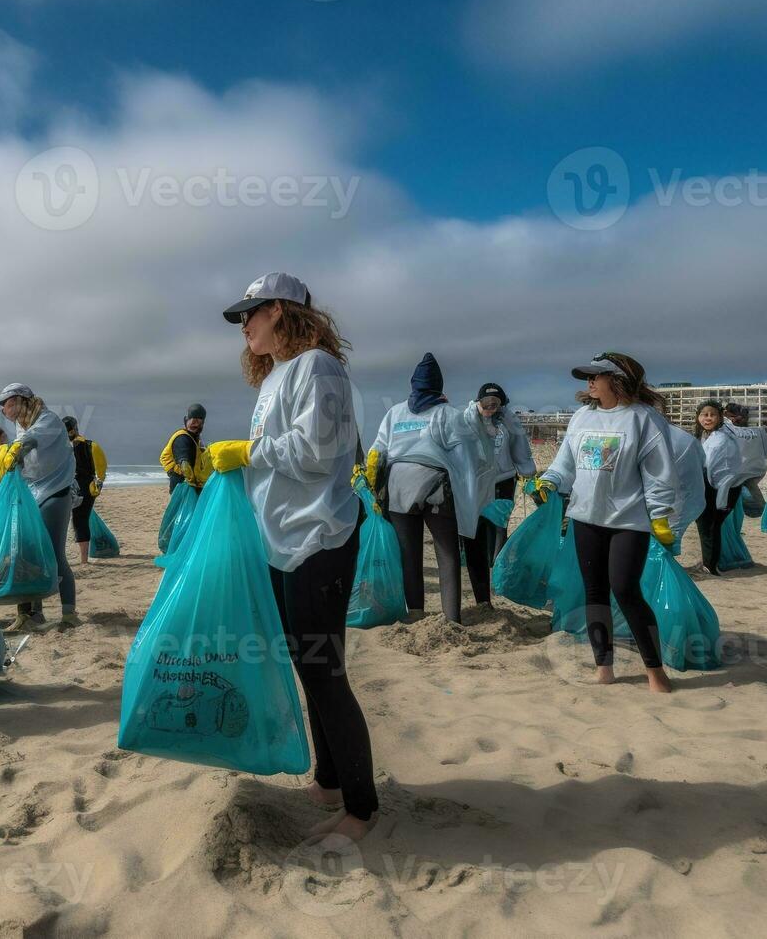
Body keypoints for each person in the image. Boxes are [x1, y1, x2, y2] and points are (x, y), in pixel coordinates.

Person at [207, 271, 376, 842]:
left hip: (319, 537)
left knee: (325, 673)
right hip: (284, 540)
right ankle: (329, 782)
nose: (243, 326)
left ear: (279, 310)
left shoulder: (318, 367)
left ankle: (360, 809)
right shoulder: (277, 376)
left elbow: (317, 450)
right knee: (309, 668)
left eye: (249, 314)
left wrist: (246, 451)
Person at [535, 353, 677, 694]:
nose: (589, 382)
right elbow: (565, 463)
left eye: (595, 376)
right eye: (587, 377)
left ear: (618, 380)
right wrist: (550, 481)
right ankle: (604, 668)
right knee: (595, 593)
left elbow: (660, 475)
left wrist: (660, 516)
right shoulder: (582, 417)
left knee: (626, 590)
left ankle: (656, 673)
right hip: (586, 517)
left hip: (628, 520)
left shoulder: (643, 419)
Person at [368, 353, 494, 625]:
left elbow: (378, 451)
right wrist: (470, 497)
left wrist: (372, 484)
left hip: (398, 484)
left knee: (408, 554)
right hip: (435, 485)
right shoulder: (448, 414)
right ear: (439, 385)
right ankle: (451, 618)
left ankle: (415, 613)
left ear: (413, 384)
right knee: (447, 553)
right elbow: (469, 457)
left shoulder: (395, 412)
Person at [0, 382, 79, 631]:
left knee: (53, 553)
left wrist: (17, 448)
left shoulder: (48, 420)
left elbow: (33, 439)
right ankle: (30, 614)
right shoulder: (21, 424)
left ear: (19, 401)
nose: (2, 409)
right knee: (26, 555)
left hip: (55, 492)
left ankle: (69, 614)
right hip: (31, 492)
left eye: (5, 403)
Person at [464, 382, 535, 570]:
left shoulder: (508, 420)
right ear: (478, 402)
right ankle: (479, 565)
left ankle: (497, 566)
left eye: (494, 404)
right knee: (479, 523)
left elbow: (520, 446)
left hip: (504, 480)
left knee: (499, 525)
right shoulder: (467, 419)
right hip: (477, 481)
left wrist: (527, 472)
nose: (489, 408)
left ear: (501, 404)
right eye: (485, 403)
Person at [693, 400, 744, 577]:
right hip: (720, 486)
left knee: (708, 525)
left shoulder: (720, 438)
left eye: (712, 414)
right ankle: (709, 562)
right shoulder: (707, 436)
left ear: (719, 417)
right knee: (711, 526)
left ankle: (710, 566)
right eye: (704, 414)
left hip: (721, 488)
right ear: (698, 417)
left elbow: (706, 463)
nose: (708, 418)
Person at [722, 403, 767, 517]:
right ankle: (765, 513)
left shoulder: (729, 431)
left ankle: (763, 512)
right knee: (745, 494)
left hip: (738, 473)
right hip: (756, 471)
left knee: (738, 496)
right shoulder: (759, 431)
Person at [64, 415, 108, 564]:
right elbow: (101, 470)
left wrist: (98, 485)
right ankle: (82, 558)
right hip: (82, 487)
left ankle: (83, 559)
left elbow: (101, 470)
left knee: (78, 520)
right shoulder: (90, 446)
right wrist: (98, 484)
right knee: (79, 519)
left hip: (79, 487)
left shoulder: (89, 446)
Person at [161, 404, 210, 493]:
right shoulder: (182, 438)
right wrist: (192, 484)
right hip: (182, 483)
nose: (196, 425)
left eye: (199, 422)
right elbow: (184, 464)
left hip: (185, 482)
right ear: (186, 420)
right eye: (194, 422)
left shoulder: (194, 440)